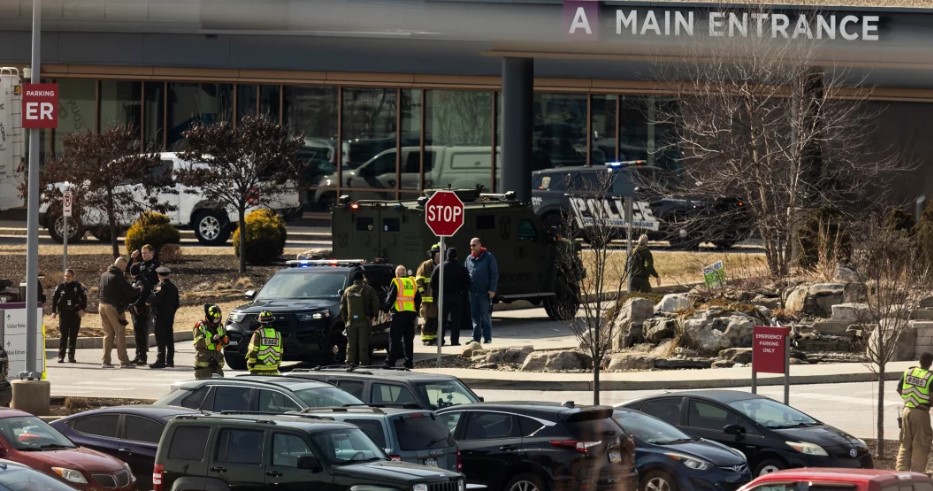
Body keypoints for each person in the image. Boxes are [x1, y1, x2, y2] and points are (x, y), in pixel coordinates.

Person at [99, 257, 142, 369]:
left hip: (102, 306)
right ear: (122, 266)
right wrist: (138, 289)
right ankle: (124, 361)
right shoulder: (118, 277)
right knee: (120, 332)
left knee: (108, 334)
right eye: (124, 267)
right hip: (114, 308)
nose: (124, 269)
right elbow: (129, 292)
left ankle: (105, 361)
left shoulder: (104, 275)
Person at [895, 352, 933, 472]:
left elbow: (899, 388)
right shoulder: (930, 377)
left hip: (906, 411)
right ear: (930, 363)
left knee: (905, 443)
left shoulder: (908, 372)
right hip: (921, 412)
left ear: (919, 361)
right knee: (920, 444)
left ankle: (901, 473)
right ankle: (916, 477)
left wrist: (908, 400)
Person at [127, 245, 161, 365]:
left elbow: (158, 283)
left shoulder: (156, 265)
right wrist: (131, 258)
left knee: (143, 329)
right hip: (137, 300)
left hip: (147, 301)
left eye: (146, 253)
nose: (143, 255)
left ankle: (143, 356)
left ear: (152, 252)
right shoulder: (140, 265)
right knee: (137, 330)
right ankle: (138, 354)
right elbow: (128, 271)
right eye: (142, 253)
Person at [339, 270, 380, 366]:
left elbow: (342, 307)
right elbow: (375, 304)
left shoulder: (347, 290)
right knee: (363, 344)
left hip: (351, 322)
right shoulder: (369, 289)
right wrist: (373, 315)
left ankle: (349, 362)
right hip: (364, 321)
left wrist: (346, 320)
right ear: (362, 278)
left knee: (351, 345)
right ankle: (363, 363)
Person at [431, 247, 470, 347]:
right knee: (456, 320)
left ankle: (440, 340)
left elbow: (432, 282)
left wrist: (439, 290)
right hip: (457, 296)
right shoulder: (461, 268)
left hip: (443, 296)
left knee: (442, 319)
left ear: (446, 256)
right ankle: (454, 340)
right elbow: (467, 283)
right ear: (456, 256)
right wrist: (461, 291)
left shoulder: (440, 267)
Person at [383, 265, 421, 369]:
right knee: (408, 340)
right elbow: (418, 299)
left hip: (399, 314)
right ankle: (409, 362)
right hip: (410, 315)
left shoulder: (397, 282)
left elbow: (391, 297)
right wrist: (416, 311)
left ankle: (390, 362)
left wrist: (386, 310)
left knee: (395, 339)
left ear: (397, 274)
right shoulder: (412, 282)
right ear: (405, 273)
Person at [465, 237, 498, 344]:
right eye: (470, 245)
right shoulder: (469, 258)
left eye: (474, 245)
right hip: (473, 292)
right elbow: (466, 273)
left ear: (480, 245)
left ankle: (487, 337)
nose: (472, 247)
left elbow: (494, 274)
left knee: (485, 315)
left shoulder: (489, 257)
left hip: (485, 292)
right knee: (474, 316)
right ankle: (476, 338)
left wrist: (492, 289)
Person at [50, 269, 87, 363]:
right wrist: (54, 311)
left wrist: (82, 309)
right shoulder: (60, 287)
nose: (67, 278)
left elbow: (84, 299)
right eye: (66, 276)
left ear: (73, 276)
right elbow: (55, 299)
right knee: (63, 336)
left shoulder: (78, 286)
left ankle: (71, 356)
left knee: (73, 336)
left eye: (69, 276)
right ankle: (61, 356)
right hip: (64, 314)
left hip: (75, 314)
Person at [147, 266, 179, 369]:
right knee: (169, 339)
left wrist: (148, 301)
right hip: (169, 316)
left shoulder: (160, 286)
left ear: (158, 275)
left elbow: (152, 299)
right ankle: (170, 361)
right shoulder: (173, 287)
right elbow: (177, 303)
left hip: (160, 316)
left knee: (160, 339)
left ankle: (160, 360)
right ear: (168, 275)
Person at [193, 304, 229, 379]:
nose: (217, 320)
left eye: (219, 318)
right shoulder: (200, 326)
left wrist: (225, 341)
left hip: (217, 364)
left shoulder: (220, 326)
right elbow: (198, 343)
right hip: (204, 366)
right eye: (215, 319)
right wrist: (212, 339)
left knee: (219, 387)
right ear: (209, 317)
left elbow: (224, 342)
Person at [416, 244, 440, 346]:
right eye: (439, 254)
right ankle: (426, 339)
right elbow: (418, 280)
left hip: (437, 298)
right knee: (428, 319)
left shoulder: (441, 265)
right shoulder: (425, 265)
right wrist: (423, 293)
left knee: (435, 319)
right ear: (434, 255)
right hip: (427, 299)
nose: (441, 256)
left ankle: (433, 337)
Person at [246, 310, 283, 375]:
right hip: (273, 370)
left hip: (258, 370)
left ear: (260, 322)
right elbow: (281, 352)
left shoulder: (258, 334)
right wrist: (277, 364)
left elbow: (252, 351)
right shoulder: (278, 334)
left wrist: (250, 364)